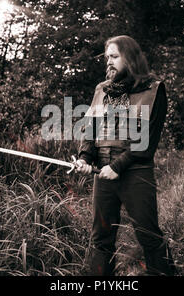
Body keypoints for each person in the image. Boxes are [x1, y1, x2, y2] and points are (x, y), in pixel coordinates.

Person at [75, 35, 177, 276]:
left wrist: (118, 166)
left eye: (114, 57)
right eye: (107, 57)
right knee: (101, 238)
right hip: (103, 173)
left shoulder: (153, 90)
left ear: (129, 58)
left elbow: (147, 142)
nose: (108, 62)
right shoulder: (103, 89)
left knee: (148, 235)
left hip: (135, 172)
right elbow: (91, 130)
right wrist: (84, 158)